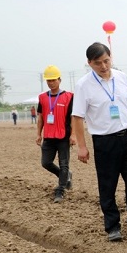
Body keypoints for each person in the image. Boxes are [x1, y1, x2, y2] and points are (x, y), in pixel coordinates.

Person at [71, 42, 127, 242]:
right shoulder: (83, 85)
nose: (103, 66)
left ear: (111, 57)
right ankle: (113, 227)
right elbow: (77, 117)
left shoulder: (122, 77)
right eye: (98, 63)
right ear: (89, 63)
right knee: (108, 185)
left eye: (106, 61)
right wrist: (82, 146)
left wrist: (126, 122)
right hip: (105, 141)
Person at [36, 65, 75, 203]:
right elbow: (40, 117)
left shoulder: (69, 97)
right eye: (48, 80)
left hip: (64, 136)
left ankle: (60, 190)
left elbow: (73, 117)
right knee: (46, 162)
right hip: (48, 137)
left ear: (59, 80)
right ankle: (65, 176)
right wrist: (38, 134)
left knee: (64, 164)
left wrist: (73, 135)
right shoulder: (42, 98)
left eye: (53, 80)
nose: (51, 83)